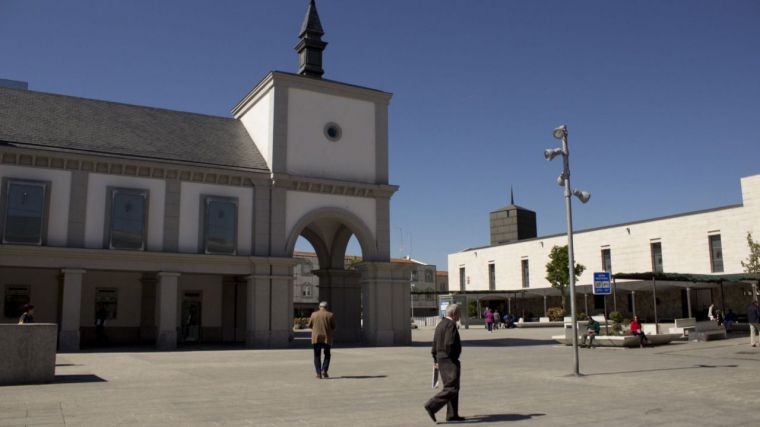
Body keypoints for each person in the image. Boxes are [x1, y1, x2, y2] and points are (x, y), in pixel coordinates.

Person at [424, 303, 464, 423]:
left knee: (450, 386)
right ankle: (432, 405)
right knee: (452, 388)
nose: (459, 315)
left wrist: (436, 360)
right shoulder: (451, 325)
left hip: (441, 359)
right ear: (454, 313)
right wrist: (452, 356)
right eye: (459, 313)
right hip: (449, 360)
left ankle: (452, 415)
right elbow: (449, 343)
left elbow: (434, 344)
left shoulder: (440, 324)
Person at [308, 301, 336, 379]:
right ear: (326, 307)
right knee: (327, 354)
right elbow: (333, 326)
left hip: (316, 338)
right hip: (327, 338)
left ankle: (318, 373)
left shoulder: (314, 314)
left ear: (319, 307)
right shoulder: (330, 315)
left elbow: (310, 325)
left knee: (317, 355)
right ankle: (324, 370)